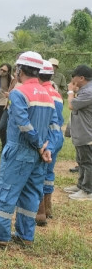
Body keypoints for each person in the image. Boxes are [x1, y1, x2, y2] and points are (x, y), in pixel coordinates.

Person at [0, 51, 58, 248]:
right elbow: (55, 127)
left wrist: (38, 145)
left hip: (20, 151)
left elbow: (23, 124)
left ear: (19, 70)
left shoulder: (19, 93)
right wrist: (48, 148)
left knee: (6, 192)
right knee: (30, 194)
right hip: (38, 156)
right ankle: (25, 237)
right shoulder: (48, 93)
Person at [36, 60, 64, 224]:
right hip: (57, 137)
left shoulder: (40, 93)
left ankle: (40, 213)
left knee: (38, 173)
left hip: (46, 138)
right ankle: (48, 207)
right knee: (49, 173)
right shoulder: (56, 93)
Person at [64, 64, 92, 201]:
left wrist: (70, 92)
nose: (72, 80)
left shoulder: (89, 91)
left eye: (74, 77)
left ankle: (88, 191)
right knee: (81, 160)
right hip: (82, 132)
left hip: (87, 133)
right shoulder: (84, 90)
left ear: (81, 78)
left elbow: (71, 105)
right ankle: (81, 186)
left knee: (87, 162)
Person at [0, 63, 13, 135]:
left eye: (4, 71)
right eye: (1, 69)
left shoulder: (11, 78)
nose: (2, 71)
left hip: (2, 100)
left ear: (8, 72)